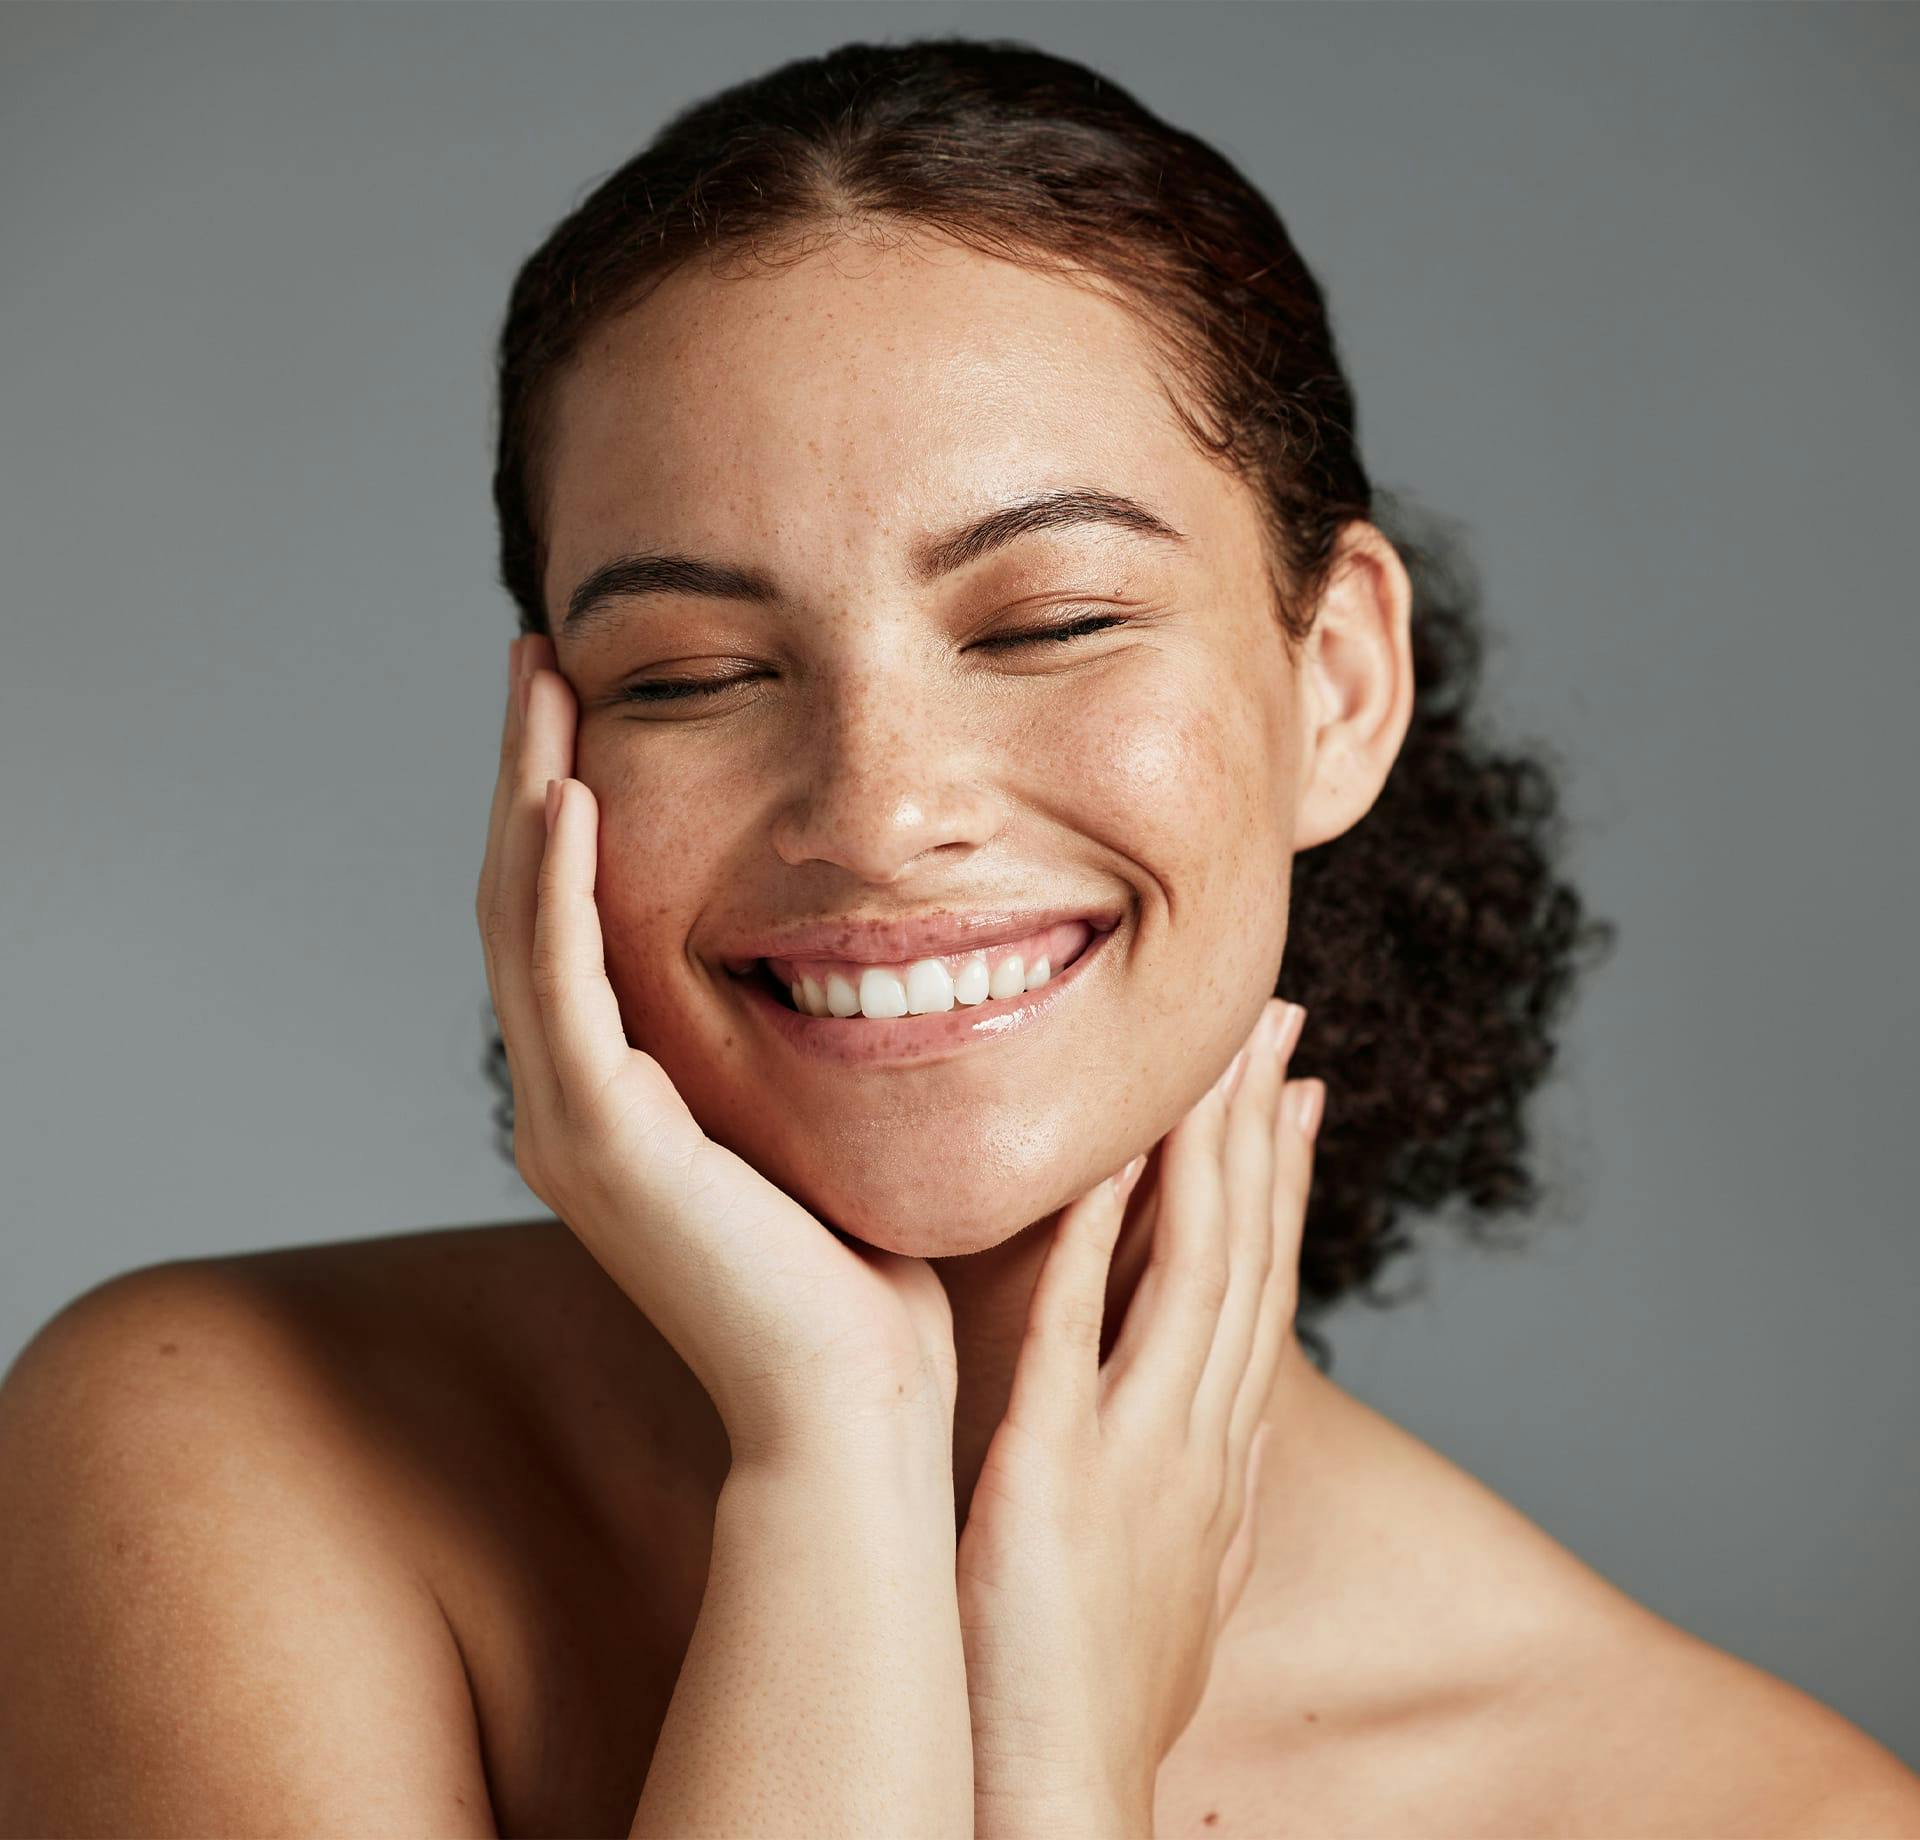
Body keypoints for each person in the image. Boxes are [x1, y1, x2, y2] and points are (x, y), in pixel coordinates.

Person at [3, 35, 1916, 1840]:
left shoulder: (1745, 1809)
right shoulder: (216, 1452)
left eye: (1049, 622)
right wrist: (835, 1461)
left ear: (1334, 685)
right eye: (694, 672)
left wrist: (1053, 1776)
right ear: (551, 753)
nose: (876, 806)